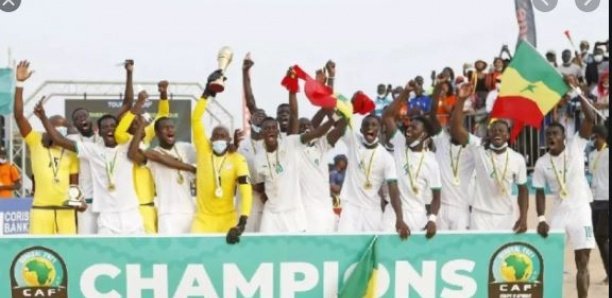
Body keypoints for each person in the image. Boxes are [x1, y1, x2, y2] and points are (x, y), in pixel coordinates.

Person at [533, 90, 596, 298]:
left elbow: (591, 118)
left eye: (555, 134)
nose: (551, 137)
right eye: (548, 134)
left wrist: (578, 92)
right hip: (559, 213)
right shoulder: (541, 163)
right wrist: (541, 218)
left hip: (580, 211)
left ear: (563, 137)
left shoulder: (576, 145)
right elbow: (540, 192)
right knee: (550, 259)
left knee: (582, 261)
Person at [13, 61, 82, 235]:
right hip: (41, 210)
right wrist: (20, 84)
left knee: (68, 254)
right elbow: (19, 116)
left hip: (65, 211)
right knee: (39, 251)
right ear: (47, 127)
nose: (56, 132)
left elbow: (74, 185)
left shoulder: (71, 151)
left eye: (61, 129)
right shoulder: (35, 139)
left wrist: (77, 203)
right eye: (53, 127)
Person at [450, 83, 529, 232]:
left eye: (501, 131)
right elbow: (455, 129)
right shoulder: (479, 147)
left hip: (506, 216)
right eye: (494, 131)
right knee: (480, 255)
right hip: (480, 217)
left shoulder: (517, 159)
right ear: (489, 134)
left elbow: (523, 190)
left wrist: (523, 217)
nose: (497, 133)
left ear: (507, 135)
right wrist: (461, 100)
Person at [191, 70, 253, 244]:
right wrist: (206, 93)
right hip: (203, 220)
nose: (219, 139)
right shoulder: (204, 150)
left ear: (228, 140)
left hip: (228, 219)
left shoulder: (237, 159)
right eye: (216, 136)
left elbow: (246, 190)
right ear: (210, 140)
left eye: (223, 136)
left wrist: (242, 221)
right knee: (193, 254)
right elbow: (195, 120)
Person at [253, 102, 335, 233]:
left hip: (293, 212)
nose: (270, 131)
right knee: (268, 251)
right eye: (267, 129)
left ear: (278, 131)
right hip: (271, 213)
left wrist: (334, 119)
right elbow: (261, 187)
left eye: (273, 128)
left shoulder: (290, 143)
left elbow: (317, 132)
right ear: (262, 132)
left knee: (296, 251)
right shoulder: (258, 158)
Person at [128, 83, 197, 235]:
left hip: (189, 211)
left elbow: (206, 156)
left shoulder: (185, 148)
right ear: (157, 134)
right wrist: (141, 127)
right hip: (167, 214)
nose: (170, 130)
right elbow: (132, 154)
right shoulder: (152, 154)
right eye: (165, 128)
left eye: (172, 127)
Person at [114, 67, 171, 234]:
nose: (139, 123)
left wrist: (163, 95)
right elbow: (119, 130)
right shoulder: (124, 141)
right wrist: (138, 106)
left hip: (148, 206)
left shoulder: (146, 137)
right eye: (134, 121)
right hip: (129, 208)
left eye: (140, 120)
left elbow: (162, 117)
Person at [382, 81, 441, 238]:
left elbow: (436, 196)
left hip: (418, 215)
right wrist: (405, 93)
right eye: (409, 126)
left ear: (423, 135)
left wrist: (433, 219)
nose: (408, 129)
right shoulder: (400, 143)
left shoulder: (431, 162)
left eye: (414, 128)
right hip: (393, 214)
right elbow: (387, 116)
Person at [335, 113, 409, 239]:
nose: (370, 127)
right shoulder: (353, 140)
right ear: (361, 130)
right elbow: (338, 123)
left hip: (372, 210)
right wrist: (348, 110)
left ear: (379, 129)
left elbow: (393, 190)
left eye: (374, 125)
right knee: (345, 244)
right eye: (366, 125)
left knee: (373, 249)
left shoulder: (386, 157)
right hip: (350, 207)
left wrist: (399, 218)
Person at [241, 55, 268, 232]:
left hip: (267, 203)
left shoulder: (272, 144)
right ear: (250, 120)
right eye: (256, 115)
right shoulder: (241, 144)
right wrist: (245, 73)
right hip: (246, 203)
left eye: (263, 116)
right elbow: (250, 101)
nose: (259, 116)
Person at [67, 107, 101, 234]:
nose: (81, 119)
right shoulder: (72, 139)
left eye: (84, 116)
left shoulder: (102, 138)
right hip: (85, 202)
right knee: (87, 241)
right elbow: (71, 171)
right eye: (77, 119)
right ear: (74, 124)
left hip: (104, 201)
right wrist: (75, 198)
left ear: (90, 118)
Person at [588, 125, 609, 284]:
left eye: (594, 137)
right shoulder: (592, 154)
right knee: (599, 237)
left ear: (601, 136)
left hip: (607, 200)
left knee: (602, 237)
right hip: (595, 200)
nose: (592, 140)